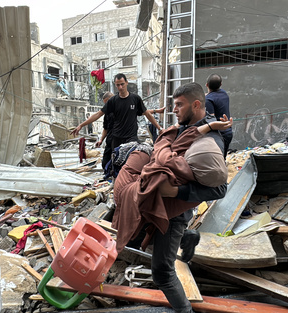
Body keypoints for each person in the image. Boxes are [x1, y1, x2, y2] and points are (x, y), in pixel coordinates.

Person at [112, 82, 231, 313]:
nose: (174, 110)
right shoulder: (188, 128)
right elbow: (164, 149)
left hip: (174, 211)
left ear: (196, 104)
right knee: (136, 237)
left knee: (162, 273)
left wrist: (177, 192)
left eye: (179, 105)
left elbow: (219, 190)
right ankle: (187, 237)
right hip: (160, 204)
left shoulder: (209, 142)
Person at [71, 73, 162, 151]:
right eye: (118, 85)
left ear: (126, 83)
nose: (120, 87)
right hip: (117, 138)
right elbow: (98, 114)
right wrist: (81, 125)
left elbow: (147, 114)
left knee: (130, 164)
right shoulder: (113, 101)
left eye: (122, 84)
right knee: (116, 166)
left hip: (131, 138)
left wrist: (159, 128)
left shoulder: (135, 99)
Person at [205, 73, 232, 158]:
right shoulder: (224, 94)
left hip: (218, 135)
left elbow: (211, 119)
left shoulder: (208, 100)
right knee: (222, 159)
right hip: (228, 132)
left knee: (217, 160)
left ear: (206, 85)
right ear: (221, 84)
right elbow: (215, 97)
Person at [95, 92, 114, 169]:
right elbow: (105, 128)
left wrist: (154, 111)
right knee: (105, 164)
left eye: (107, 102)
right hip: (110, 141)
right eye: (105, 103)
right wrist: (101, 140)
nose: (106, 105)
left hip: (121, 141)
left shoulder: (122, 109)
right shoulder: (107, 113)